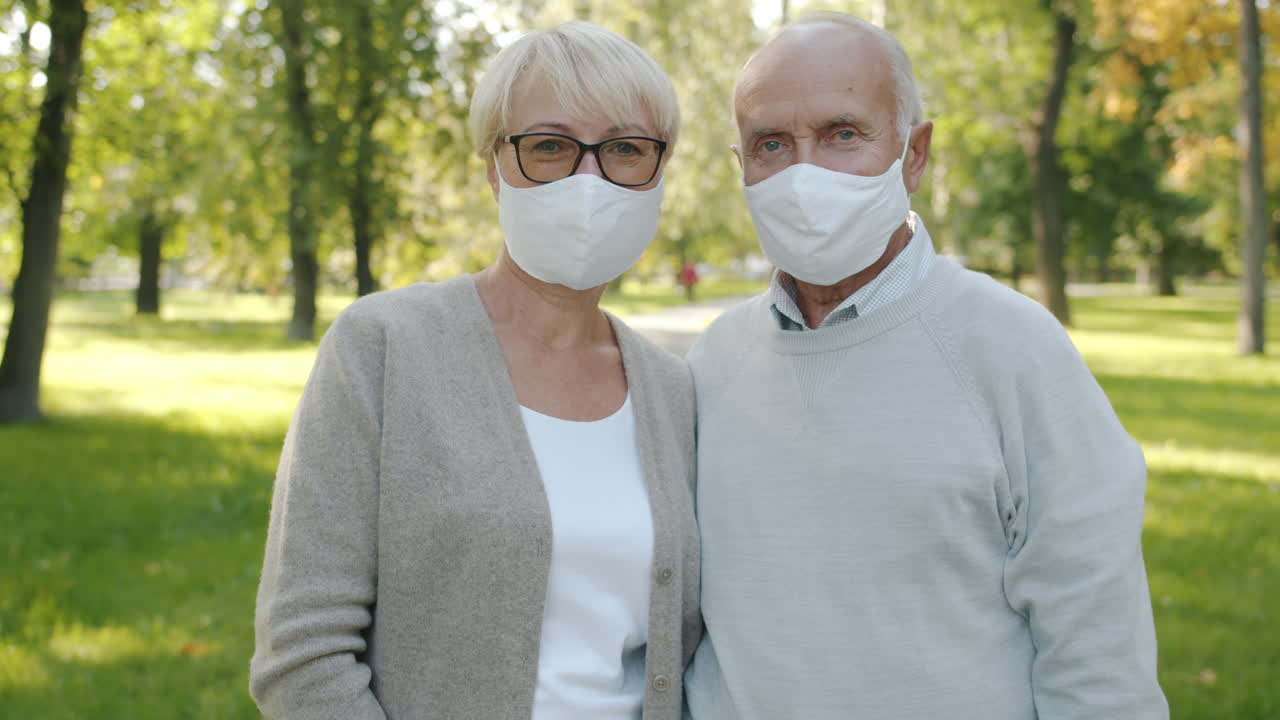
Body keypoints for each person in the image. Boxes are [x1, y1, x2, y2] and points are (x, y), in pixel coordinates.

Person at [685, 11, 1168, 720]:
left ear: (914, 154)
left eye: (842, 134)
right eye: (771, 144)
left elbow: (1096, 652)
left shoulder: (1013, 350)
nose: (803, 172)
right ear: (742, 166)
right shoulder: (711, 364)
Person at [250, 21, 700, 720]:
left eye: (624, 148)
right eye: (548, 146)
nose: (589, 179)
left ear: (658, 171)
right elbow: (302, 655)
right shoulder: (382, 348)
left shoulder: (673, 390)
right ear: (494, 165)